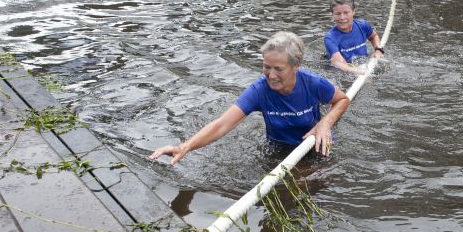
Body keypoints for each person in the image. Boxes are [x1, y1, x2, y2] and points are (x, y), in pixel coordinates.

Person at [149, 31, 350, 166]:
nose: (270, 75)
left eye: (278, 69)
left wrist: (325, 123)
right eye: (266, 67)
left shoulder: (312, 83)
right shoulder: (259, 90)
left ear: (295, 67)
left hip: (314, 145)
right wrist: (185, 146)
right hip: (278, 147)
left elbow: (342, 100)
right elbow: (221, 125)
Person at [324, 0, 384, 75]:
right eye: (338, 13)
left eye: (346, 13)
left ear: (353, 11)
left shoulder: (362, 25)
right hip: (342, 70)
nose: (342, 17)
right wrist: (357, 71)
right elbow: (337, 62)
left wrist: (378, 50)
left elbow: (373, 36)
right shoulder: (330, 38)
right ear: (332, 15)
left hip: (362, 63)